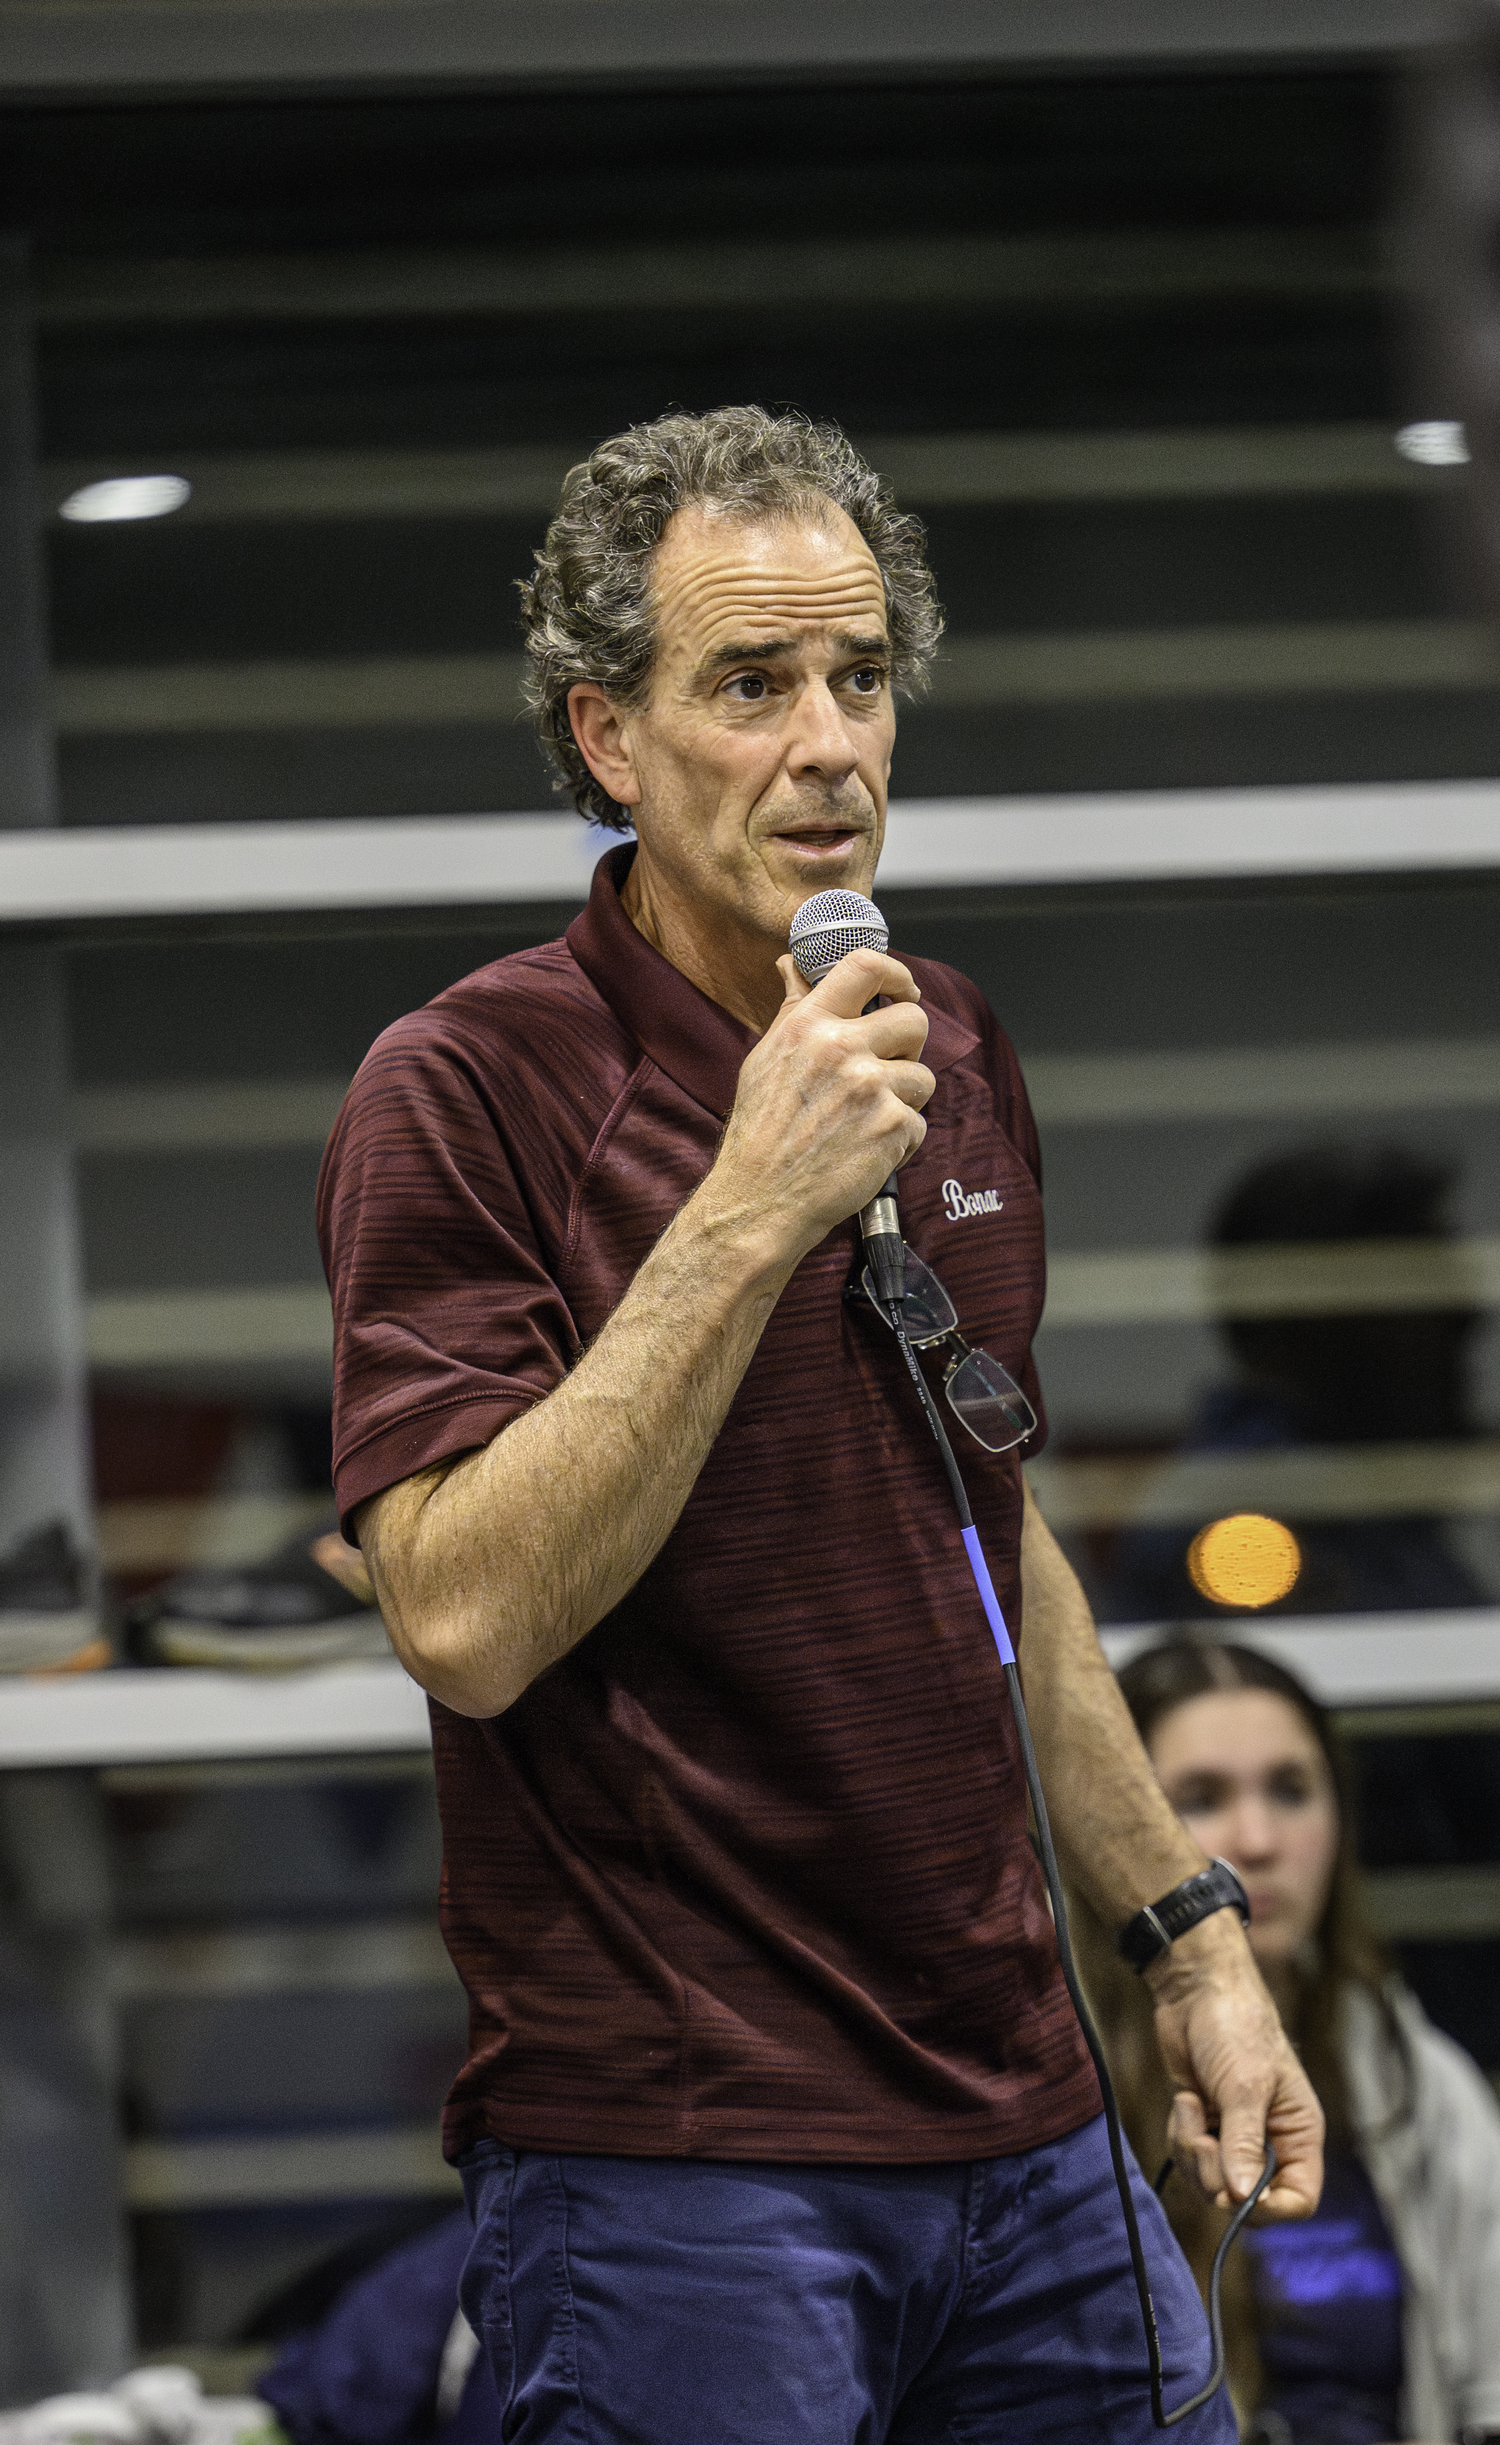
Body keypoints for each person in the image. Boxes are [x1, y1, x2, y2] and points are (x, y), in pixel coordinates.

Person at [315, 405, 1322, 2442]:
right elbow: (465, 1614)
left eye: (862, 679)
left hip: (1034, 2130)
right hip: (685, 2170)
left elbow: (990, 1528)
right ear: (607, 735)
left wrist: (1186, 1935)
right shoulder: (469, 1086)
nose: (832, 746)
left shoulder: (941, 1039)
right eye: (752, 687)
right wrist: (751, 1202)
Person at [1080, 1636, 1500, 2445]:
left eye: (1292, 1789)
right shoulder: (1060, 2090)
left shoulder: (1412, 2072)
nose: (1259, 1839)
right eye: (1201, 1797)